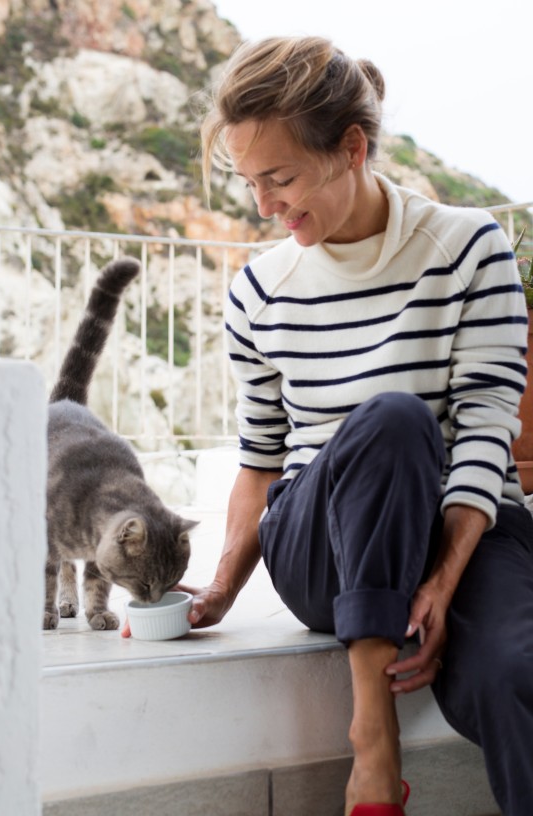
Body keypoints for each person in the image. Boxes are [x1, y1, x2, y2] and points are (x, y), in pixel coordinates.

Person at [128, 36, 533, 815]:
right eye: (250, 183)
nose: (264, 206)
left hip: (461, 530)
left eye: (278, 177)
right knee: (393, 421)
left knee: (517, 672)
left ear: (352, 147)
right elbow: (261, 458)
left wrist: (445, 582)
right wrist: (221, 586)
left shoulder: (467, 247)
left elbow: (486, 428)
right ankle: (371, 739)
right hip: (324, 547)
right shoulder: (259, 290)